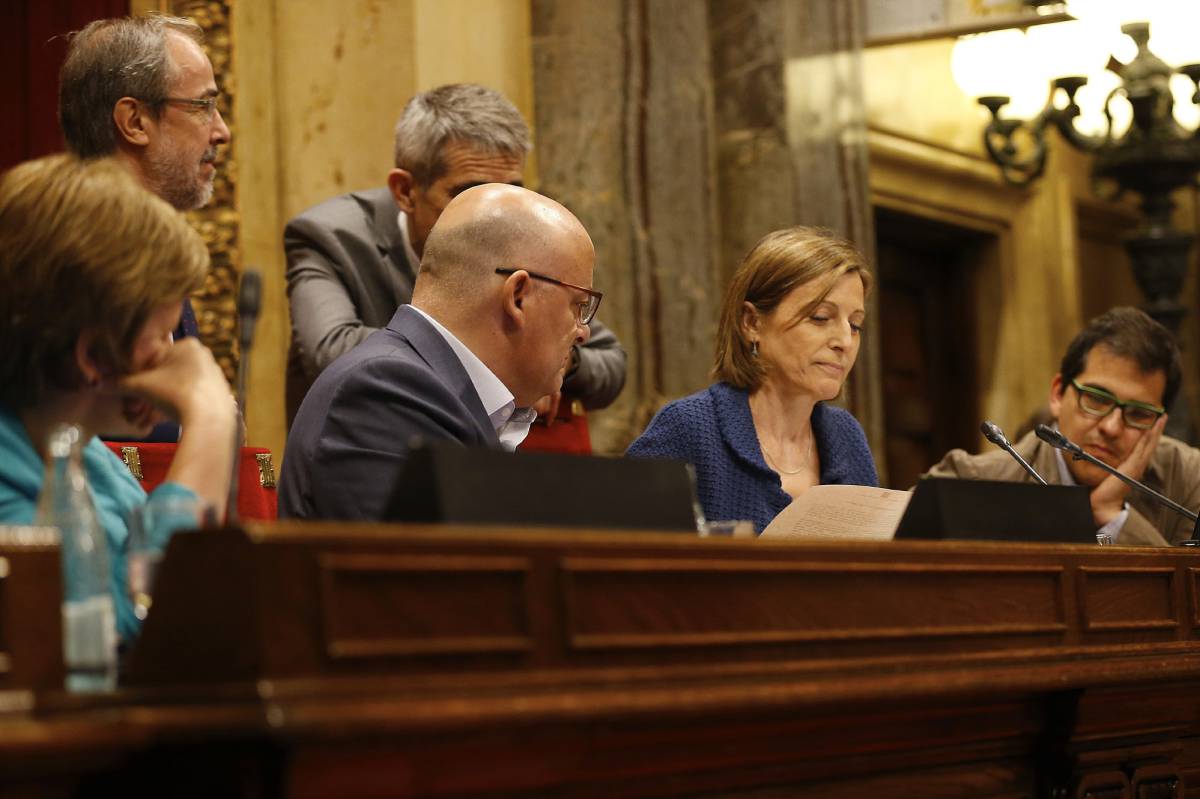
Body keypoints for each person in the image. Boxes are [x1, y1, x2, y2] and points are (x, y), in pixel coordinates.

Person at [283, 83, 625, 449]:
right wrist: (499, 367)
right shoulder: (329, 236)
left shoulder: (523, 242)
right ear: (405, 190)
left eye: (511, 193)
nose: (497, 218)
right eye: (468, 194)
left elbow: (610, 361)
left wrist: (550, 361)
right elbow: (331, 350)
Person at [0, 155, 238, 641]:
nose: (183, 356)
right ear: (93, 357)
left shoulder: (93, 460)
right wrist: (210, 419)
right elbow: (137, 634)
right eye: (163, 335)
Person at [279, 184, 598, 520]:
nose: (583, 332)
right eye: (579, 306)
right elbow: (454, 554)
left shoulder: (429, 389)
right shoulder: (387, 392)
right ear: (518, 297)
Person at [627, 227, 878, 533]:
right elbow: (619, 549)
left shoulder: (848, 437)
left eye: (855, 325)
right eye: (820, 318)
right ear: (752, 323)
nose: (845, 342)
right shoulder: (689, 428)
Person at [59, 14, 232, 442]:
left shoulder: (156, 251)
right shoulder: (72, 267)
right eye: (203, 107)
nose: (222, 131)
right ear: (135, 121)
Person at [927, 307, 1200, 546]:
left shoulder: (1188, 479)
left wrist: (1113, 517)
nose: (1111, 427)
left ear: (1160, 423)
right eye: (1096, 399)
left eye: (1139, 413)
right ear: (1058, 394)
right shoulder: (971, 480)